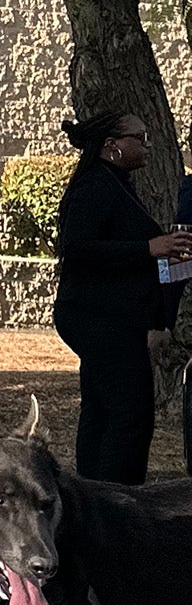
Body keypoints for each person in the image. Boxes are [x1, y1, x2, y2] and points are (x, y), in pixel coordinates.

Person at [54, 109, 188, 484]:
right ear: (111, 147)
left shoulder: (118, 185)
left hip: (115, 317)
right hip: (95, 316)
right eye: (140, 138)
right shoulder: (95, 186)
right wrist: (149, 247)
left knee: (101, 408)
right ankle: (119, 503)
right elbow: (78, 249)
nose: (148, 145)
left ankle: (94, 496)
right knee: (131, 413)